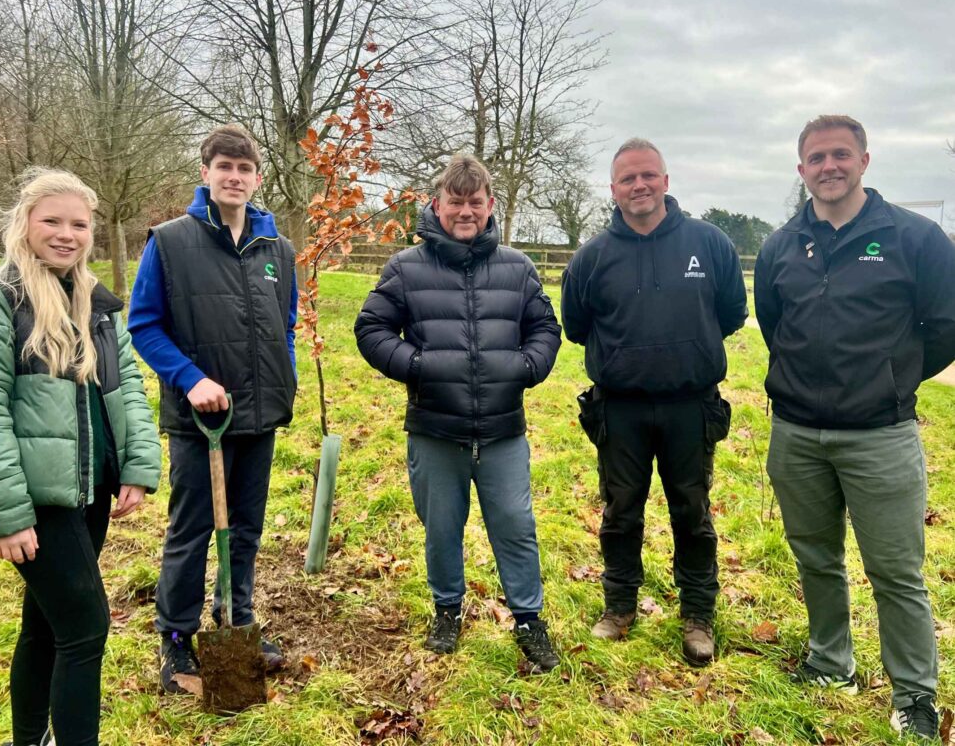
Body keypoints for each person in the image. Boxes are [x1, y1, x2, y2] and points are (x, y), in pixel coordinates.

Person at [0, 168, 161, 746]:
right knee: (86, 629)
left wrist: (137, 466)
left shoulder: (97, 305)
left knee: (46, 627)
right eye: (52, 221)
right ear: (24, 223)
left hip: (91, 490)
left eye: (79, 224)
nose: (67, 234)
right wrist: (8, 515)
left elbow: (129, 388)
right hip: (37, 499)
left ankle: (30, 738)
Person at [755, 114, 955, 740]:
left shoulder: (916, 239)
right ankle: (829, 662)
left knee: (896, 572)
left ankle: (914, 695)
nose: (829, 167)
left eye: (841, 154)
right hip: (796, 435)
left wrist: (893, 379)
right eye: (816, 158)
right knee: (816, 557)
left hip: (881, 436)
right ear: (801, 170)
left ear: (864, 161)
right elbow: (773, 323)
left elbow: (945, 325)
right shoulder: (781, 246)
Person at [354, 154, 563, 671]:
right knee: (441, 527)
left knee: (515, 524)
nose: (465, 211)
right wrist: (417, 365)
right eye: (455, 202)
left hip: (502, 430)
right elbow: (371, 329)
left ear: (490, 205)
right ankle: (447, 610)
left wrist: (527, 367)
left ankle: (528, 619)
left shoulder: (517, 268)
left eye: (475, 202)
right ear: (437, 204)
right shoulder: (406, 267)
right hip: (434, 428)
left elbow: (545, 328)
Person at [561, 138, 746, 666]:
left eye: (648, 175)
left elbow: (731, 312)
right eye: (628, 178)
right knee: (621, 512)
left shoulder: (709, 243)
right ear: (613, 189)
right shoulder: (592, 257)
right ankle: (619, 606)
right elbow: (577, 325)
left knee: (693, 511)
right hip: (620, 409)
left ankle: (698, 614)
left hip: (692, 405)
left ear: (665, 180)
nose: (639, 185)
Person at [128, 125, 297, 693]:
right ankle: (176, 639)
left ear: (257, 177)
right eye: (224, 166)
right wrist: (191, 379)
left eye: (245, 169)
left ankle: (235, 618)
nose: (235, 177)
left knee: (246, 528)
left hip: (260, 413)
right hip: (201, 419)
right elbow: (144, 325)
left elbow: (285, 326)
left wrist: (285, 379)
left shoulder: (278, 250)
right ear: (206, 173)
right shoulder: (170, 242)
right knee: (192, 529)